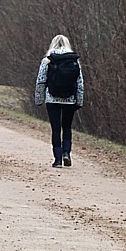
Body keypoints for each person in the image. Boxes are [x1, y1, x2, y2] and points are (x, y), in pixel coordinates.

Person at [34, 34, 84, 168]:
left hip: (52, 98)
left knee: (56, 129)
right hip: (70, 99)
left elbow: (41, 80)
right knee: (67, 126)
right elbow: (80, 83)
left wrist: (39, 99)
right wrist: (79, 101)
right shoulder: (74, 61)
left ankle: (57, 160)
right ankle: (66, 153)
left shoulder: (47, 60)